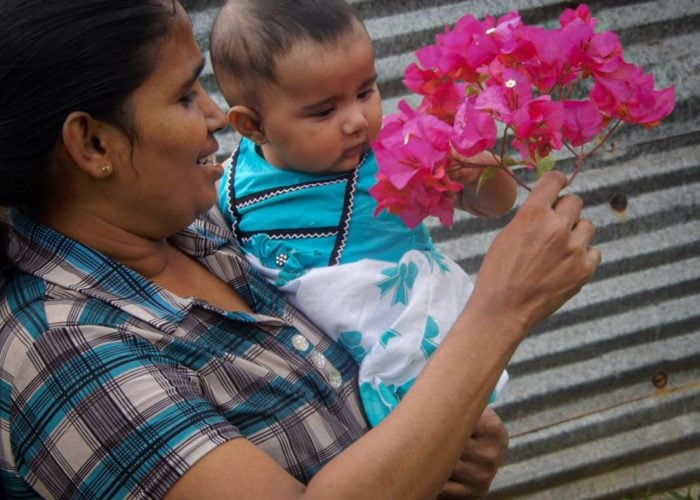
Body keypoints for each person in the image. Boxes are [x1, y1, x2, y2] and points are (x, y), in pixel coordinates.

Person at [0, 0, 600, 498]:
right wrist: (500, 312)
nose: (215, 117)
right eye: (186, 97)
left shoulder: (198, 227)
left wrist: (442, 440)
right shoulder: (70, 355)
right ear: (93, 143)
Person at [209, 0, 517, 426]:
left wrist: (475, 167)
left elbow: (494, 204)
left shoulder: (398, 155)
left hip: (411, 347)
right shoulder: (228, 184)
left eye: (365, 92)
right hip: (319, 383)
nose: (356, 120)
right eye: (324, 110)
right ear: (252, 126)